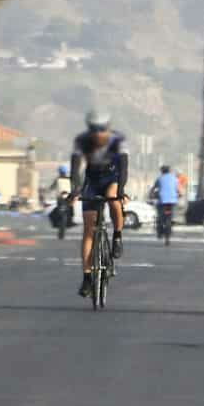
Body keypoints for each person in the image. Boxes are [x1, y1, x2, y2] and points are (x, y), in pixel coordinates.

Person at [68, 109, 129, 297]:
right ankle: (87, 278)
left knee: (113, 197)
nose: (98, 133)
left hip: (112, 178)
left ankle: (117, 236)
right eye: (94, 129)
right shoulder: (81, 141)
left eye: (102, 129)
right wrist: (75, 190)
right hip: (92, 182)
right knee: (88, 230)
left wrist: (120, 192)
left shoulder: (118, 140)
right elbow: (76, 168)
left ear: (108, 128)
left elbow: (124, 168)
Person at [147, 163, 180, 241]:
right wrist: (179, 195)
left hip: (162, 200)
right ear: (170, 171)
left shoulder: (159, 178)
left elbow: (153, 189)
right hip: (172, 201)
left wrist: (151, 195)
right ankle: (170, 224)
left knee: (160, 216)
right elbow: (179, 190)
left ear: (162, 171)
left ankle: (160, 231)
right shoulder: (175, 179)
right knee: (170, 215)